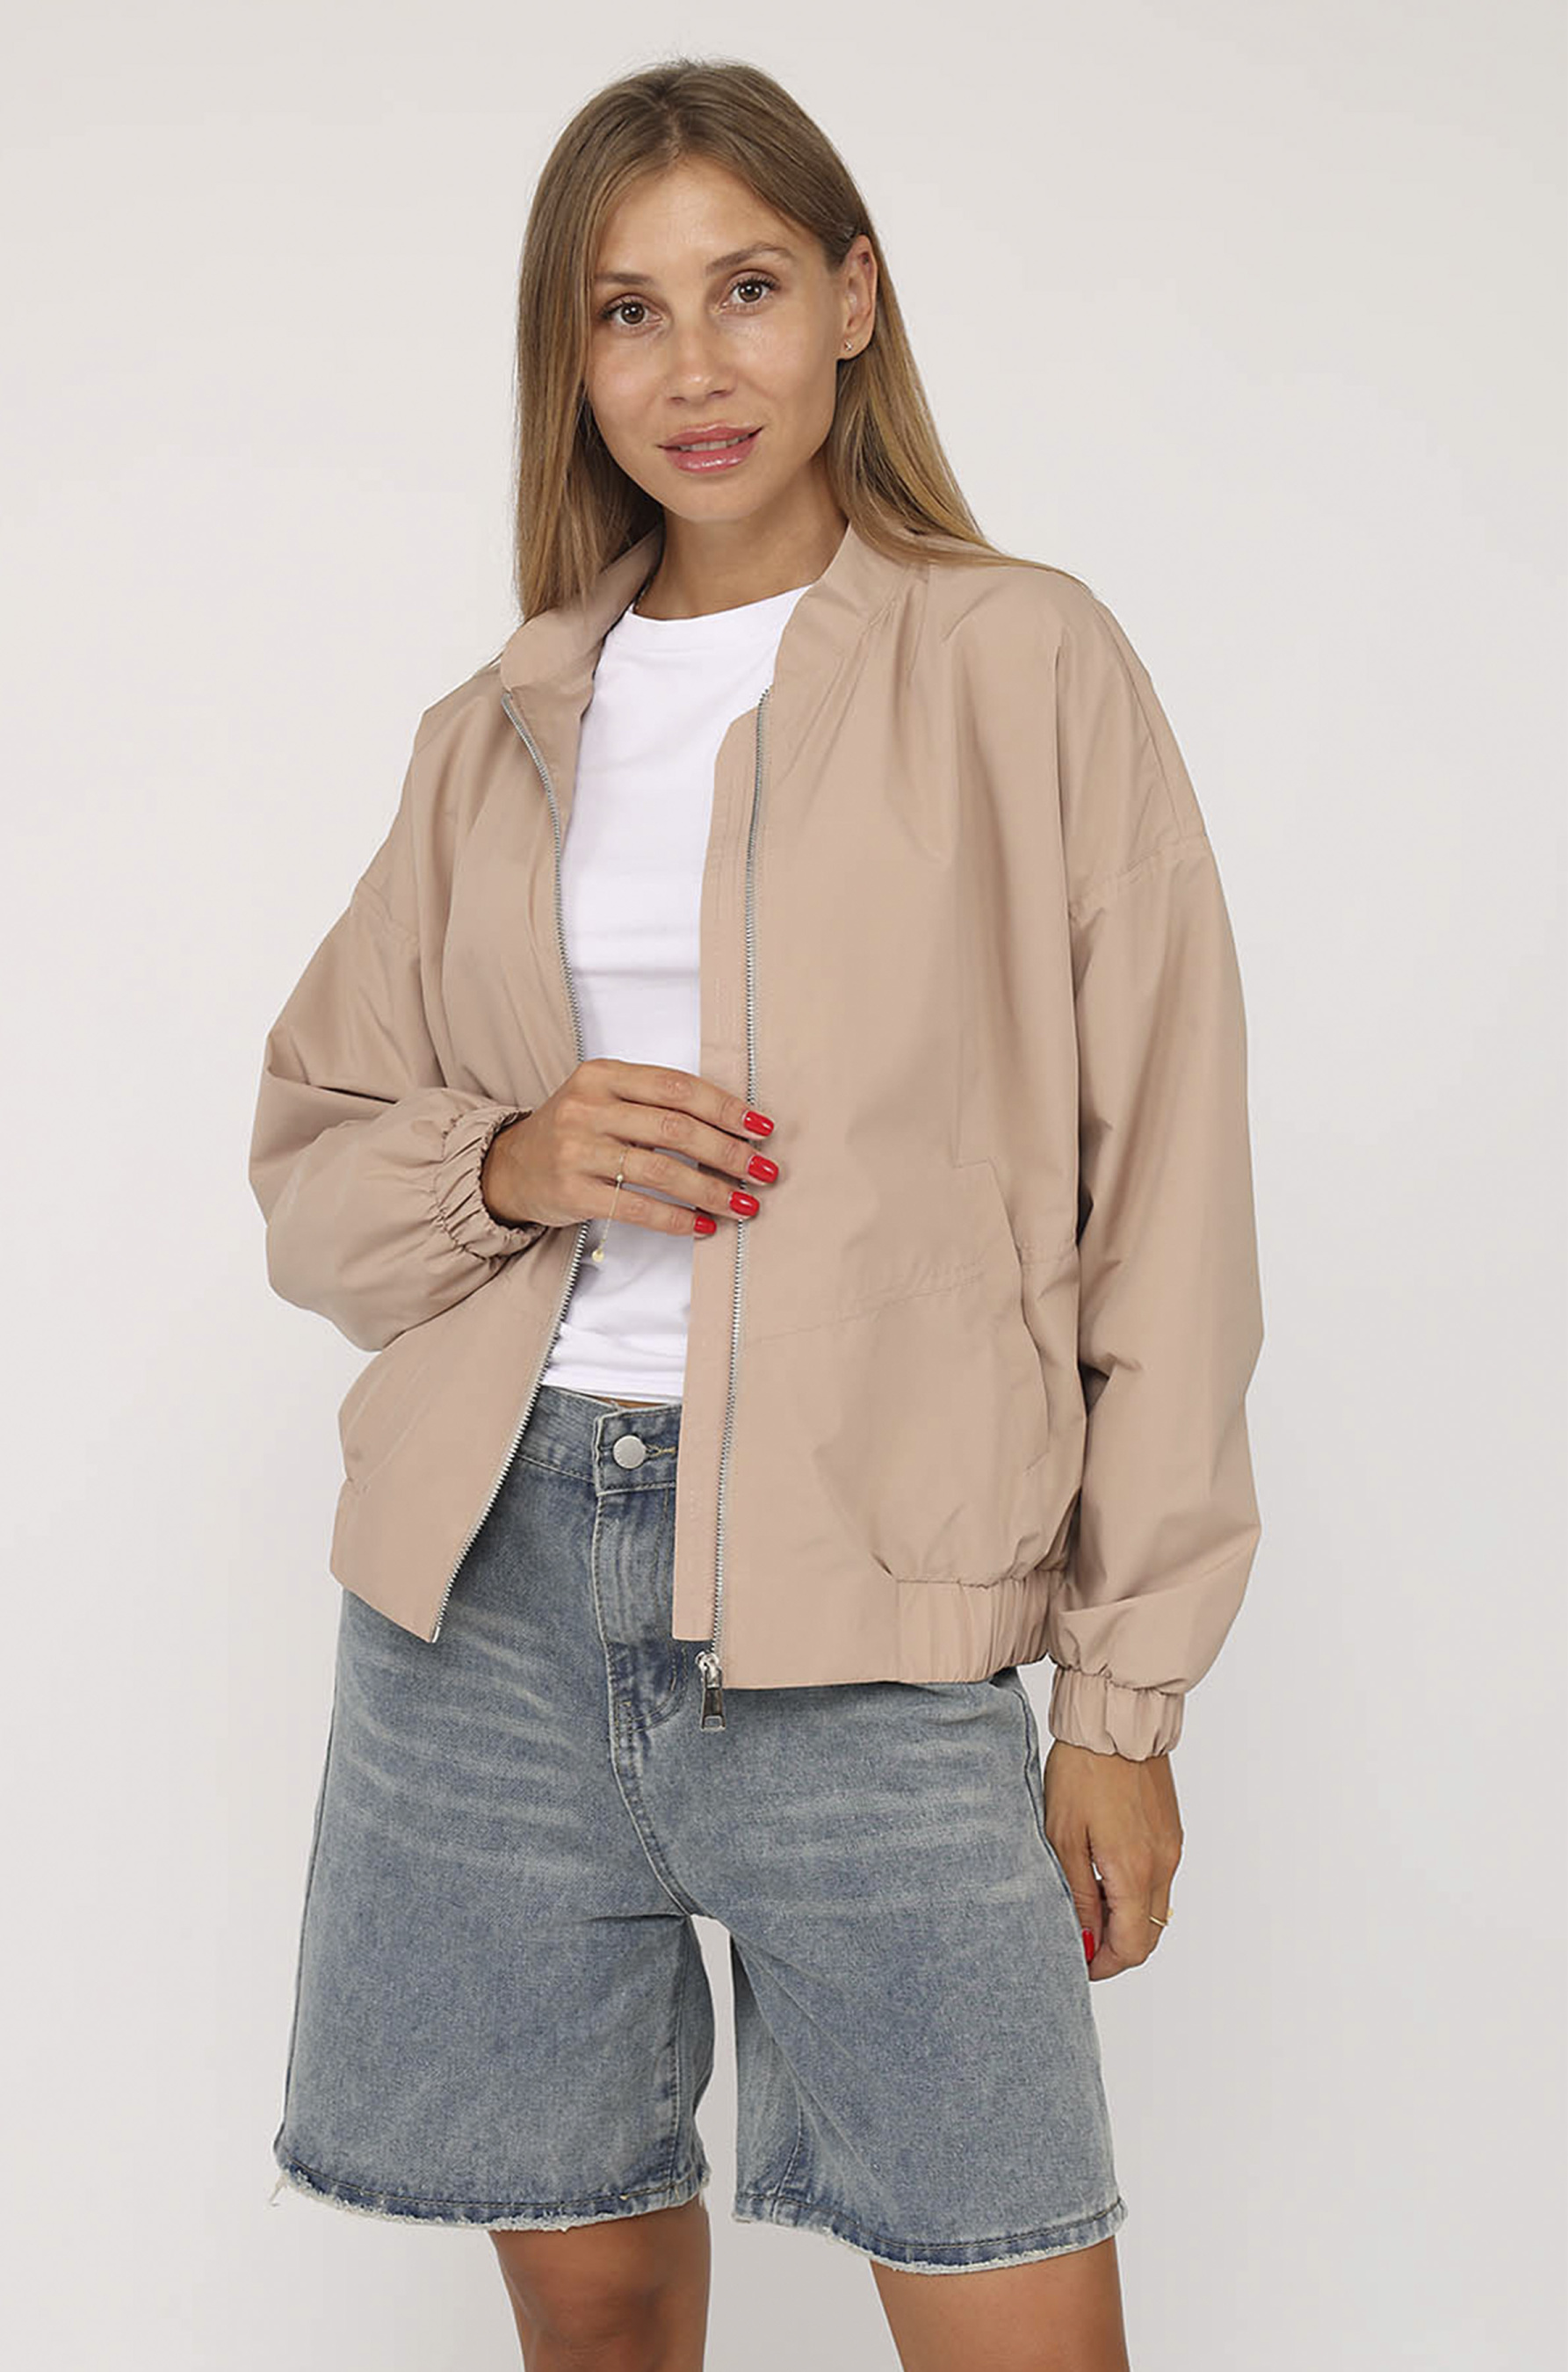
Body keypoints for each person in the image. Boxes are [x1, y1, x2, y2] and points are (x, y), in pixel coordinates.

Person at [249, 54, 1263, 2372]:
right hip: (486, 1608)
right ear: (572, 356)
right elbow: (314, 1165)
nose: (691, 365)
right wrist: (509, 1162)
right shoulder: (501, 724)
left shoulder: (1020, 661)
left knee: (1015, 2310)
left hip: (871, 1613)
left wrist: (1121, 1700)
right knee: (594, 2301)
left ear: (854, 302)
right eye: (627, 311)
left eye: (748, 288)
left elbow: (1170, 1197)